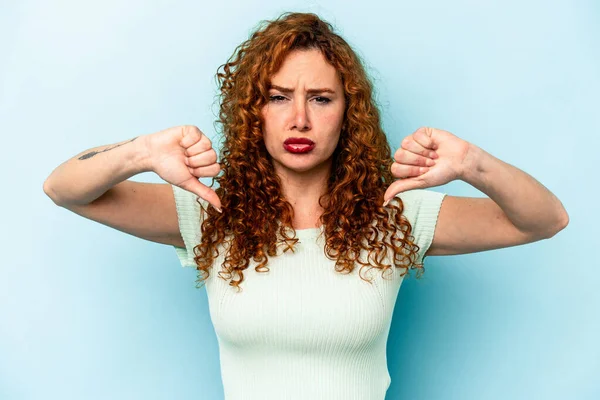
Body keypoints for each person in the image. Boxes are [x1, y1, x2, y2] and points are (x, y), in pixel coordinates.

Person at [43, 11, 569, 400]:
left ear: (348, 112)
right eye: (277, 97)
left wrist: (473, 163)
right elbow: (64, 188)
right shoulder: (209, 211)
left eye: (320, 98)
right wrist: (140, 152)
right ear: (254, 113)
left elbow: (546, 220)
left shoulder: (394, 216)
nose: (299, 118)